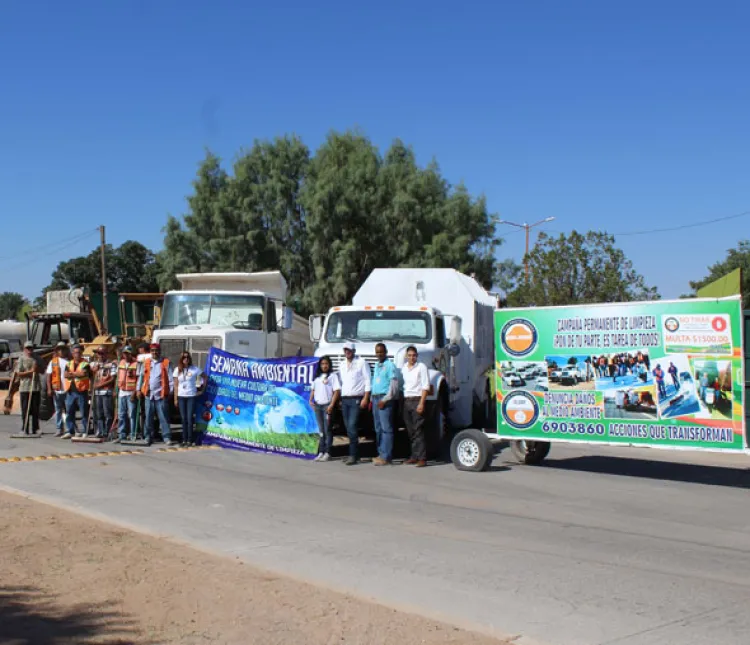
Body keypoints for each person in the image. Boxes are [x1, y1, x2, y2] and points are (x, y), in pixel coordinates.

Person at [335, 342, 371, 465]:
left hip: (356, 398)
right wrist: (339, 398)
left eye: (349, 350)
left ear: (354, 351)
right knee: (348, 428)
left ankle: (353, 455)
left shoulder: (361, 362)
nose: (347, 352)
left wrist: (366, 398)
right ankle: (352, 453)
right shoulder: (342, 364)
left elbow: (367, 380)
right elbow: (340, 382)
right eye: (345, 350)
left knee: (352, 426)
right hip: (345, 399)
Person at [139, 342, 175, 446]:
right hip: (148, 395)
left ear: (159, 351)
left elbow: (171, 379)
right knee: (148, 417)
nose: (155, 352)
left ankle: (167, 437)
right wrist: (138, 389)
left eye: (156, 350)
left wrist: (170, 392)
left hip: (161, 395)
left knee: (163, 417)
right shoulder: (146, 362)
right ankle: (148, 436)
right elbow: (141, 378)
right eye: (153, 351)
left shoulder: (165, 362)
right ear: (150, 352)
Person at [401, 345, 430, 467]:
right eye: (409, 355)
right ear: (406, 356)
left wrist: (422, 403)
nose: (412, 358)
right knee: (410, 431)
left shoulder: (421, 367)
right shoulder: (404, 368)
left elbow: (425, 386)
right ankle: (414, 456)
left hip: (417, 400)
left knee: (419, 430)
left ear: (417, 356)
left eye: (414, 355)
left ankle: (422, 458)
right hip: (407, 400)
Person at [370, 343, 399, 466]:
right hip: (376, 398)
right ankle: (381, 453)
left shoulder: (390, 365)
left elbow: (394, 386)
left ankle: (386, 456)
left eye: (381, 352)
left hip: (384, 399)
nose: (379, 354)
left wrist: (385, 399)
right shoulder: (377, 365)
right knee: (378, 428)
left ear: (386, 352)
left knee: (386, 428)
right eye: (377, 352)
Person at [308, 356, 338, 462]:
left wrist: (331, 405)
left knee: (327, 430)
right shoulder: (317, 377)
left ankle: (327, 452)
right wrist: (310, 400)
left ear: (329, 365)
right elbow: (313, 390)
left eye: (326, 364)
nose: (324, 366)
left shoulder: (333, 376)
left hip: (327, 406)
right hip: (318, 406)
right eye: (322, 364)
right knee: (321, 431)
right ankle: (321, 451)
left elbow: (336, 392)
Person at [173, 352, 205, 446]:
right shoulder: (177, 369)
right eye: (184, 357)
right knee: (183, 419)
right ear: (181, 359)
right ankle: (184, 439)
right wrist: (175, 399)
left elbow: (205, 377)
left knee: (190, 418)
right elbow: (175, 385)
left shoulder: (194, 369)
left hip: (191, 396)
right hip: (181, 396)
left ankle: (190, 440)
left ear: (189, 359)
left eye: (187, 357)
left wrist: (202, 389)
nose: (186, 359)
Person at [14, 341, 43, 435]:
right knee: (25, 409)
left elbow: (43, 370)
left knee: (35, 409)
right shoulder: (21, 359)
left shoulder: (38, 358)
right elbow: (19, 373)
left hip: (35, 386)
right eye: (27, 348)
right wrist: (31, 371)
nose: (29, 350)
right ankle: (24, 428)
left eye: (31, 348)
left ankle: (35, 428)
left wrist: (37, 369)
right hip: (24, 387)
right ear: (24, 349)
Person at [63, 344, 92, 439]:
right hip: (70, 391)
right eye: (75, 353)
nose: (77, 354)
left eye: (79, 353)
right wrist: (75, 374)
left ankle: (85, 431)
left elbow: (83, 373)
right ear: (72, 354)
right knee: (69, 413)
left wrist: (72, 374)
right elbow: (66, 375)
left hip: (81, 392)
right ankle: (70, 431)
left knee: (84, 413)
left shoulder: (85, 363)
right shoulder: (68, 364)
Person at [91, 347, 117, 439]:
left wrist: (100, 385)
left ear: (106, 354)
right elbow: (88, 373)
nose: (100, 356)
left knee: (108, 414)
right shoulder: (94, 364)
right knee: (99, 414)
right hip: (97, 393)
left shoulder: (111, 364)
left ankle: (108, 432)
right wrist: (94, 370)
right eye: (98, 353)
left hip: (106, 392)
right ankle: (100, 431)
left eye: (102, 353)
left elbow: (113, 379)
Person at [115, 346, 139, 443]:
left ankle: (133, 434)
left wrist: (134, 392)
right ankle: (122, 434)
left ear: (131, 354)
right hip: (122, 392)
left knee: (132, 415)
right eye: (124, 353)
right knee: (121, 414)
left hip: (131, 392)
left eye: (127, 353)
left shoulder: (136, 364)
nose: (126, 355)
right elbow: (118, 377)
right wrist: (116, 390)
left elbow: (138, 380)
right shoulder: (121, 363)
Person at [46, 341, 69, 437]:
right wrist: (49, 388)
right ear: (57, 351)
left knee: (68, 410)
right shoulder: (53, 362)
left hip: (67, 390)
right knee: (58, 410)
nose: (61, 351)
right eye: (60, 349)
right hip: (57, 389)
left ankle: (69, 428)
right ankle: (59, 429)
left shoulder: (70, 362)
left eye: (63, 349)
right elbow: (48, 376)